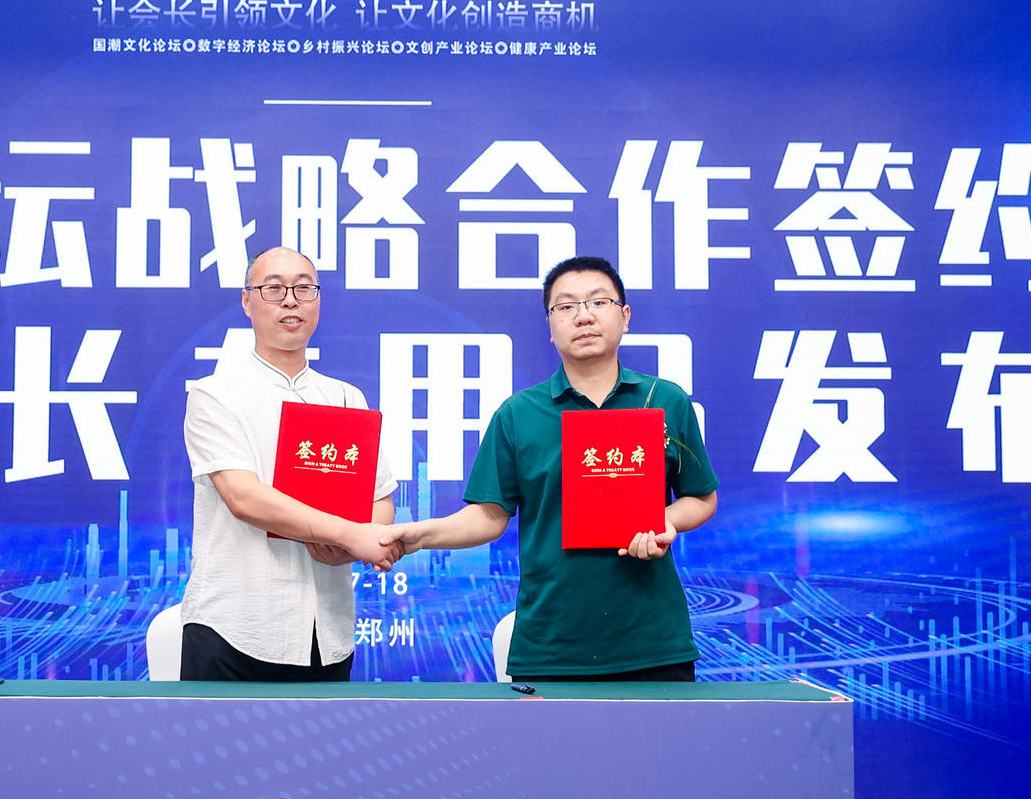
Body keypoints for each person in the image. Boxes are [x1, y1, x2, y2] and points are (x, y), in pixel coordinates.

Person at [384, 257, 718, 680]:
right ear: (550, 325)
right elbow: (489, 516)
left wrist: (664, 521)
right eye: (566, 306)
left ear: (625, 316)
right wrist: (420, 535)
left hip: (653, 641)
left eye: (598, 301)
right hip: (551, 643)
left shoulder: (666, 400)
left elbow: (701, 498)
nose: (584, 316)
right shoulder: (519, 414)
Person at [179, 248, 400, 681]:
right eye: (274, 288)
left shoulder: (345, 398)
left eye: (304, 288)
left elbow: (379, 502)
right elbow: (244, 498)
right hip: (235, 628)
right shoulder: (215, 394)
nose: (291, 300)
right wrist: (346, 534)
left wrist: (350, 545)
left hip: (327, 632)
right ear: (247, 301)